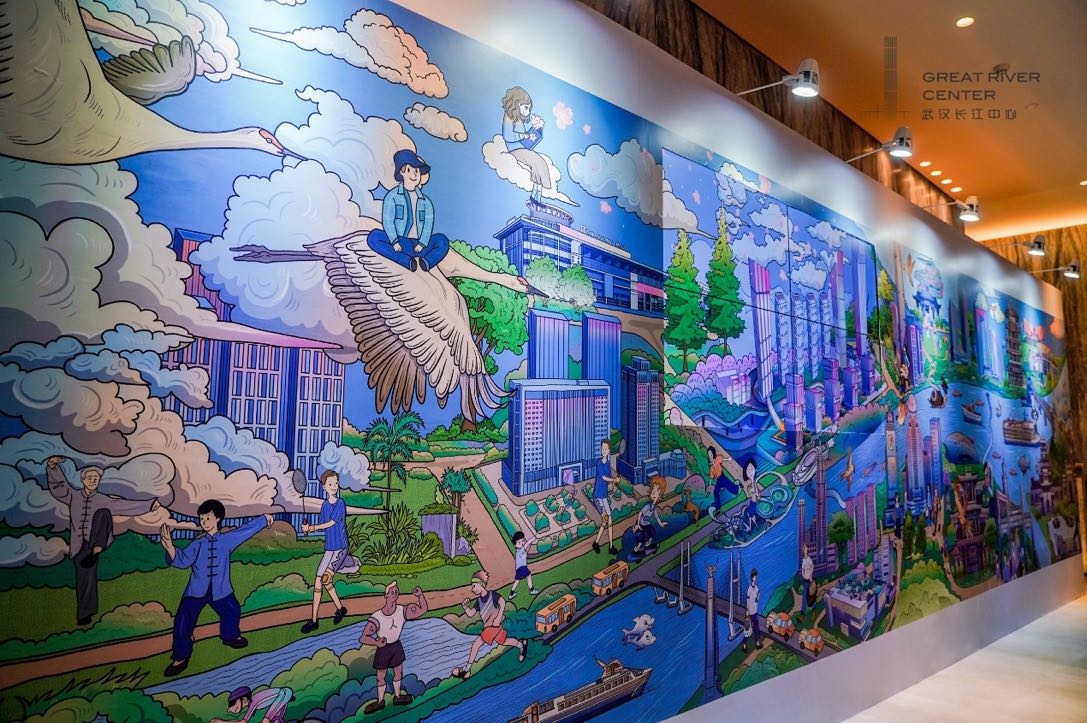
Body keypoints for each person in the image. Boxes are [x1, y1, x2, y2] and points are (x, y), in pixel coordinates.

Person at [160, 500, 274, 677]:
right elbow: (182, 560)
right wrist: (169, 546)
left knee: (232, 609)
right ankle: (181, 657)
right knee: (183, 620)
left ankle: (230, 636)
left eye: (207, 518)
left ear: (218, 518)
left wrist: (264, 519)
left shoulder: (227, 540)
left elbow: (245, 531)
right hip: (196, 590)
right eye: (201, 519)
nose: (204, 522)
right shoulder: (198, 544)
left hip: (221, 589)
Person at [46, 456, 160, 625]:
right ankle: (85, 612)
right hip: (78, 545)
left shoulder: (103, 499)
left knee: (103, 513)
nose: (93, 480)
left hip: (95, 542)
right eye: (90, 477)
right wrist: (52, 466)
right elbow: (59, 487)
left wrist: (149, 505)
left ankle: (96, 550)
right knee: (84, 577)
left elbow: (124, 505)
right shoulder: (73, 495)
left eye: (96, 478)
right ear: (83, 480)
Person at [367, 149, 449, 272]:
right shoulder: (393, 196)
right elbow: (388, 221)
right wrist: (394, 241)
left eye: (417, 171)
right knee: (374, 237)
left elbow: (428, 225)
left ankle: (426, 262)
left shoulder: (426, 202)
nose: (414, 175)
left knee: (442, 240)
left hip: (419, 245)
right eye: (410, 170)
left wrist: (422, 243)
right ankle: (407, 262)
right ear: (402, 172)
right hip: (401, 242)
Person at [359, 581, 429, 714]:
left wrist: (420, 596)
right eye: (392, 592)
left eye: (396, 592)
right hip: (383, 648)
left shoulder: (402, 611)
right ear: (386, 595)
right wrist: (376, 643)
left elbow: (423, 610)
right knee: (381, 675)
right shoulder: (377, 617)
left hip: (396, 646)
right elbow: (363, 637)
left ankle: (397, 696)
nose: (395, 594)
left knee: (398, 671)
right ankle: (380, 701)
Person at [452, 571, 527, 679]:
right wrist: (465, 607)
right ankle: (521, 645)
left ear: (481, 584)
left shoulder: (492, 595)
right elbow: (471, 614)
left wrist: (498, 617)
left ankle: (467, 669)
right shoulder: (478, 601)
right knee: (503, 641)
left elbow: (502, 602)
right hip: (490, 628)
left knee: (477, 644)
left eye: (474, 586)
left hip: (494, 627)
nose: (472, 589)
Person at [300, 470, 349, 634]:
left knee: (326, 578)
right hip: (329, 548)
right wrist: (307, 529)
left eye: (336, 483)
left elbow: (331, 523)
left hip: (340, 548)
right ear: (324, 487)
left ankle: (340, 609)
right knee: (318, 580)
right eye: (330, 484)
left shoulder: (340, 503)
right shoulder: (325, 505)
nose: (334, 486)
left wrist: (312, 528)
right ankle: (315, 620)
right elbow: (323, 525)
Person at [500, 86, 553, 201]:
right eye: (525, 107)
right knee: (536, 161)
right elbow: (508, 136)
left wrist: (536, 129)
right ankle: (535, 196)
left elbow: (524, 136)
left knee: (540, 161)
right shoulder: (509, 117)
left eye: (529, 108)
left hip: (522, 148)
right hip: (515, 150)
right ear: (517, 104)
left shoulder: (519, 119)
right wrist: (523, 136)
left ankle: (537, 195)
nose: (528, 111)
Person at [591, 440, 620, 556]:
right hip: (598, 497)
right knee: (605, 519)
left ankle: (610, 546)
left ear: (609, 451)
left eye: (605, 449)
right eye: (602, 448)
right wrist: (613, 480)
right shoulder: (599, 463)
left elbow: (609, 477)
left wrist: (616, 479)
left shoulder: (607, 464)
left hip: (604, 496)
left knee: (609, 519)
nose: (603, 450)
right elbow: (603, 477)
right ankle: (596, 543)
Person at [631, 475, 668, 559]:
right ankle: (637, 548)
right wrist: (638, 524)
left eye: (657, 491)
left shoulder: (653, 508)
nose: (654, 493)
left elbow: (657, 517)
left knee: (652, 531)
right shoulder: (648, 506)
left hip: (646, 523)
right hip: (641, 523)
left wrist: (660, 523)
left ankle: (648, 543)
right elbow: (640, 513)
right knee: (642, 537)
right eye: (653, 490)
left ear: (660, 494)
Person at [211, 686, 292, 723]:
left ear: (244, 699)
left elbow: (243, 722)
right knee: (275, 720)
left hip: (284, 693)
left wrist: (222, 722)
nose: (231, 709)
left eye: (234, 704)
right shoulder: (251, 704)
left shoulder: (253, 701)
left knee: (266, 720)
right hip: (281, 697)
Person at [706, 446, 738, 518]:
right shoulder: (711, 467)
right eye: (708, 455)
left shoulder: (717, 459)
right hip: (718, 480)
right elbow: (711, 477)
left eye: (711, 454)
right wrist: (709, 486)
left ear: (713, 454)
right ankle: (718, 509)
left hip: (722, 477)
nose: (710, 456)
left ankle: (737, 488)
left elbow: (722, 459)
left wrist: (728, 459)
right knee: (715, 492)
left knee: (729, 485)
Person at [509, 531, 537, 599]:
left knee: (517, 581)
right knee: (528, 576)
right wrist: (533, 538)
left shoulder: (518, 551)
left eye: (523, 541)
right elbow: (527, 544)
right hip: (523, 568)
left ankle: (511, 593)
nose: (522, 543)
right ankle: (532, 590)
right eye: (519, 542)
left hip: (519, 569)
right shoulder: (521, 550)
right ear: (515, 545)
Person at [746, 568, 762, 651]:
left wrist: (757, 598)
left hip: (754, 610)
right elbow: (748, 599)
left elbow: (758, 595)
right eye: (754, 577)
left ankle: (757, 643)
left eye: (756, 577)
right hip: (751, 611)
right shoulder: (750, 588)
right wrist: (747, 610)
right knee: (749, 628)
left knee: (755, 627)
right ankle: (746, 645)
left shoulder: (756, 587)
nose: (755, 578)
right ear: (752, 577)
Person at [798, 544, 814, 623]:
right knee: (806, 597)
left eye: (806, 548)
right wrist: (804, 576)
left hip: (808, 581)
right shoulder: (804, 560)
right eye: (804, 548)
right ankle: (802, 613)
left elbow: (812, 567)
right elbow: (803, 570)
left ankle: (803, 613)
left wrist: (810, 577)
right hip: (805, 581)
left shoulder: (809, 559)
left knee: (808, 596)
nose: (805, 549)